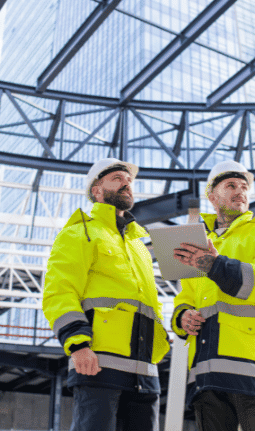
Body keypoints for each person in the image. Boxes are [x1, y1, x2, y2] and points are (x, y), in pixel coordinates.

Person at [43, 158, 170, 431]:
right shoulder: (80, 233)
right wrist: (78, 345)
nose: (127, 183)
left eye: (129, 180)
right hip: (98, 363)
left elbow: (147, 303)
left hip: (145, 369)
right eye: (117, 179)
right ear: (97, 191)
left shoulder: (139, 245)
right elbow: (59, 292)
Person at [171, 160, 255, 431]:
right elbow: (185, 297)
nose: (241, 192)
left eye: (244, 187)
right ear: (213, 198)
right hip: (207, 373)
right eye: (231, 186)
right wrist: (182, 318)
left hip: (254, 369)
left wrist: (216, 265)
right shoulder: (197, 243)